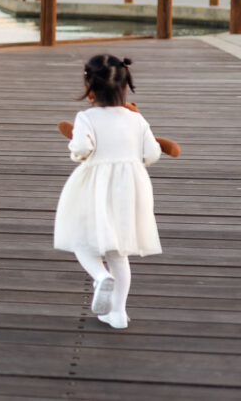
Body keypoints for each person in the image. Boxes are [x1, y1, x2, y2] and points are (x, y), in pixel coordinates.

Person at [53, 54, 162, 329]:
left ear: (89, 89)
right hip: (130, 188)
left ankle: (100, 277)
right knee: (118, 253)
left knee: (81, 240)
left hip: (95, 186)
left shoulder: (86, 117)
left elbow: (82, 148)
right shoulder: (137, 119)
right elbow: (152, 152)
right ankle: (118, 314)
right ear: (125, 86)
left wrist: (77, 152)